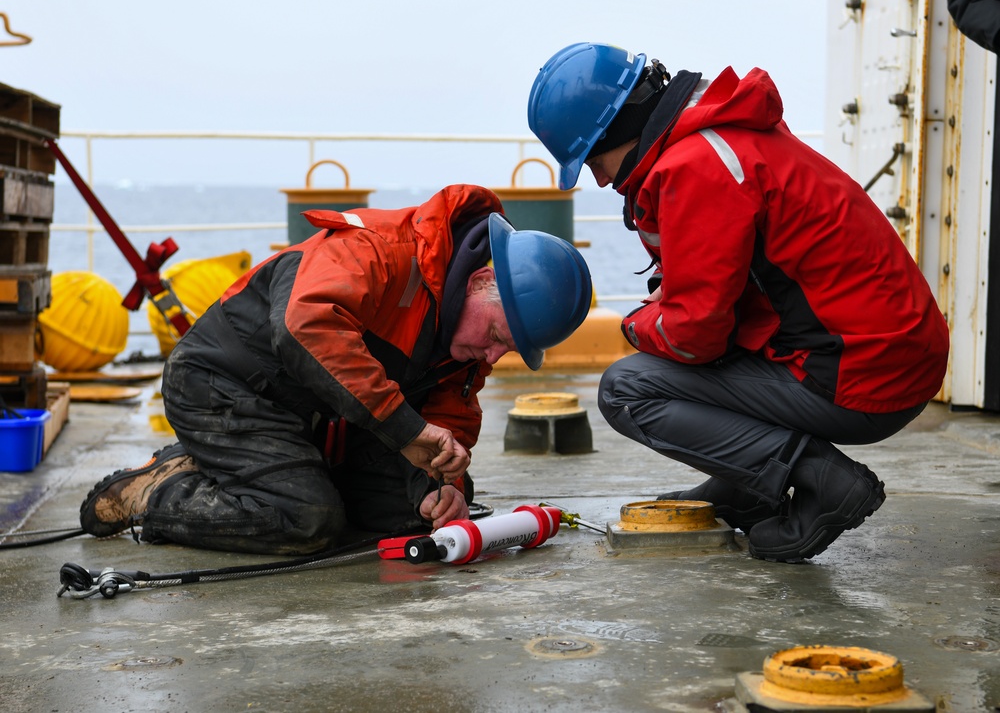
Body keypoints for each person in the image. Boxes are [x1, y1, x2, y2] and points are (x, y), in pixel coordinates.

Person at [526, 43, 950, 563]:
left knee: (628, 389)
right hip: (885, 353)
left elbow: (694, 336)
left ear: (618, 130)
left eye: (592, 158)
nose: (599, 179)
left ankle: (827, 484)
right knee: (692, 358)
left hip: (863, 373)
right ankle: (750, 489)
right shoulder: (724, 139)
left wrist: (637, 323)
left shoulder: (694, 165)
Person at [79, 184, 593, 555]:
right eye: (501, 336)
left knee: (416, 515)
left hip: (320, 416)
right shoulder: (379, 252)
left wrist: (444, 484)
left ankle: (265, 473)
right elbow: (304, 325)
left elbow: (448, 413)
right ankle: (156, 491)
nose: (494, 356)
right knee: (305, 520)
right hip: (224, 386)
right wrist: (404, 429)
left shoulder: (464, 331)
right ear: (482, 281)